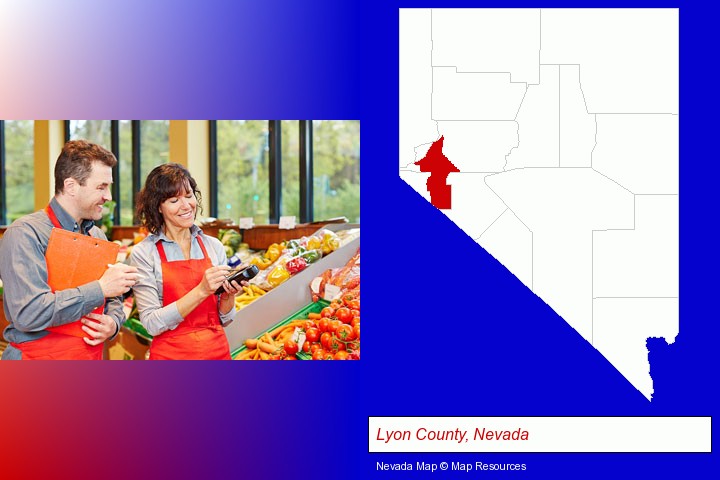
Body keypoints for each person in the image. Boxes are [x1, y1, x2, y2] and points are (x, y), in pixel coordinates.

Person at [0, 140, 139, 360]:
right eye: (101, 187)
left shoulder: (98, 236)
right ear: (71, 186)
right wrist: (99, 288)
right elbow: (29, 313)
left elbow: (113, 298)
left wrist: (113, 323)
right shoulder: (25, 233)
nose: (109, 196)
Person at [130, 163, 243, 360]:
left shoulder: (213, 246)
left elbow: (225, 318)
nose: (186, 206)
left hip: (217, 353)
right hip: (171, 357)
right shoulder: (144, 253)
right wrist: (201, 290)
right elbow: (151, 323)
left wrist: (228, 296)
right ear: (158, 206)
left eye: (189, 196)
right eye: (174, 200)